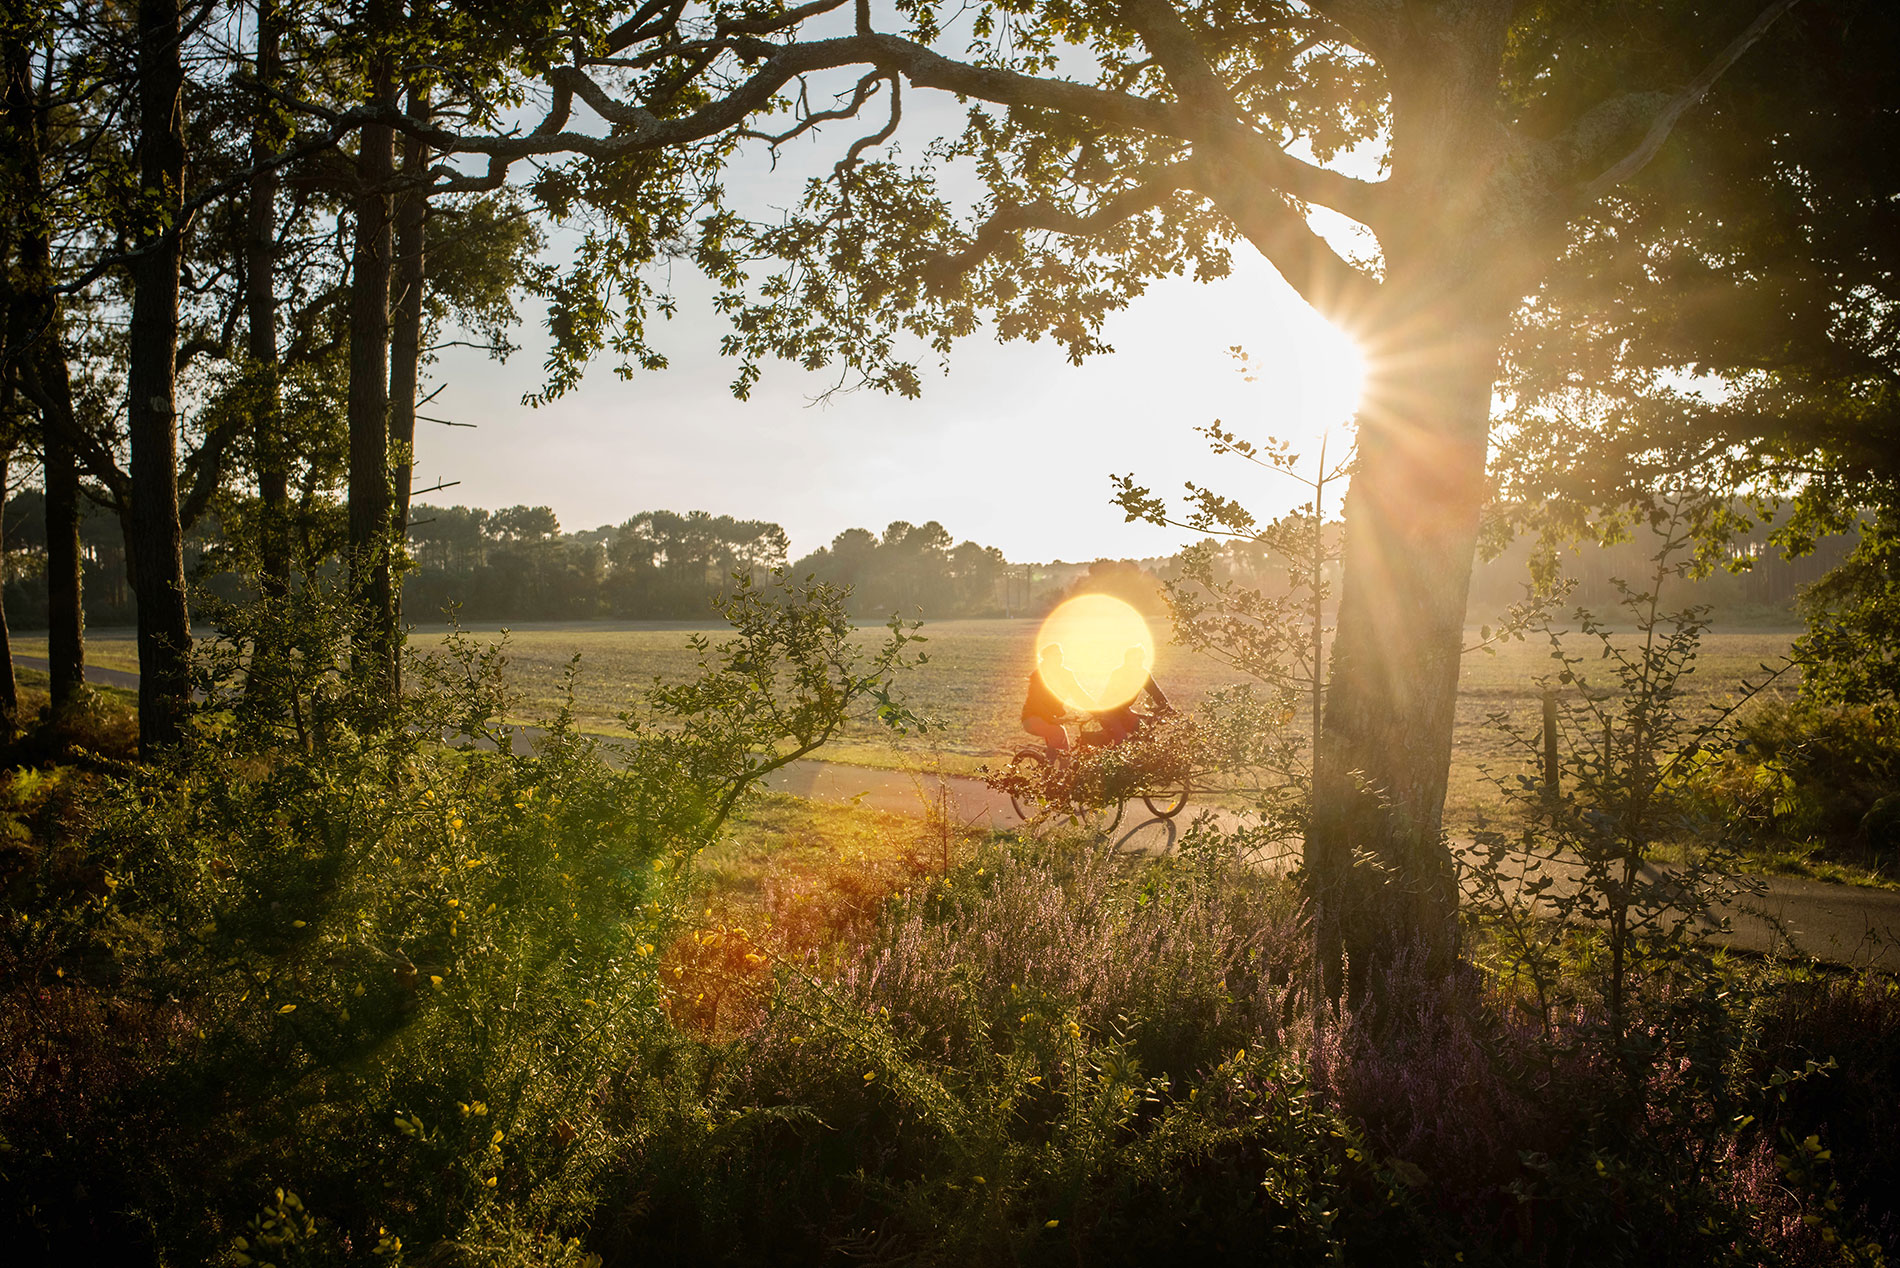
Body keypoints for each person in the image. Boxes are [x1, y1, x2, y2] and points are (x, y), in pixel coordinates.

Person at [1022, 643, 1093, 751]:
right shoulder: (1039, 676)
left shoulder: (1066, 674)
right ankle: (1050, 768)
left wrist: (1096, 708)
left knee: (1064, 749)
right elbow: (1036, 703)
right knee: (1058, 732)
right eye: (1055, 656)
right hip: (1033, 718)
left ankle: (1063, 766)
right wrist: (1051, 718)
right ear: (1047, 659)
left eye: (1060, 655)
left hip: (1050, 718)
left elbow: (1078, 694)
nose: (1060, 658)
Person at [1094, 647, 1172, 744]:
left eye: (1141, 659)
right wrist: (1125, 712)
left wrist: (1170, 711)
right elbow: (1110, 698)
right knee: (1121, 739)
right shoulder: (1118, 674)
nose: (1139, 662)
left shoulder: (1143, 675)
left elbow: (1156, 694)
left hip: (1124, 711)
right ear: (1127, 660)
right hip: (1108, 711)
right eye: (1136, 659)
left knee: (1146, 735)